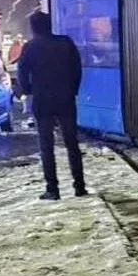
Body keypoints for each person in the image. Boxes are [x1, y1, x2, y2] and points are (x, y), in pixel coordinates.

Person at [16, 11, 85, 201]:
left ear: (33, 28)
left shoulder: (30, 47)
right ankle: (79, 186)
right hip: (65, 99)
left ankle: (52, 189)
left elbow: (22, 72)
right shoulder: (66, 43)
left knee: (46, 146)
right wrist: (73, 89)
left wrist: (28, 89)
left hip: (42, 100)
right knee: (72, 143)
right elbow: (77, 68)